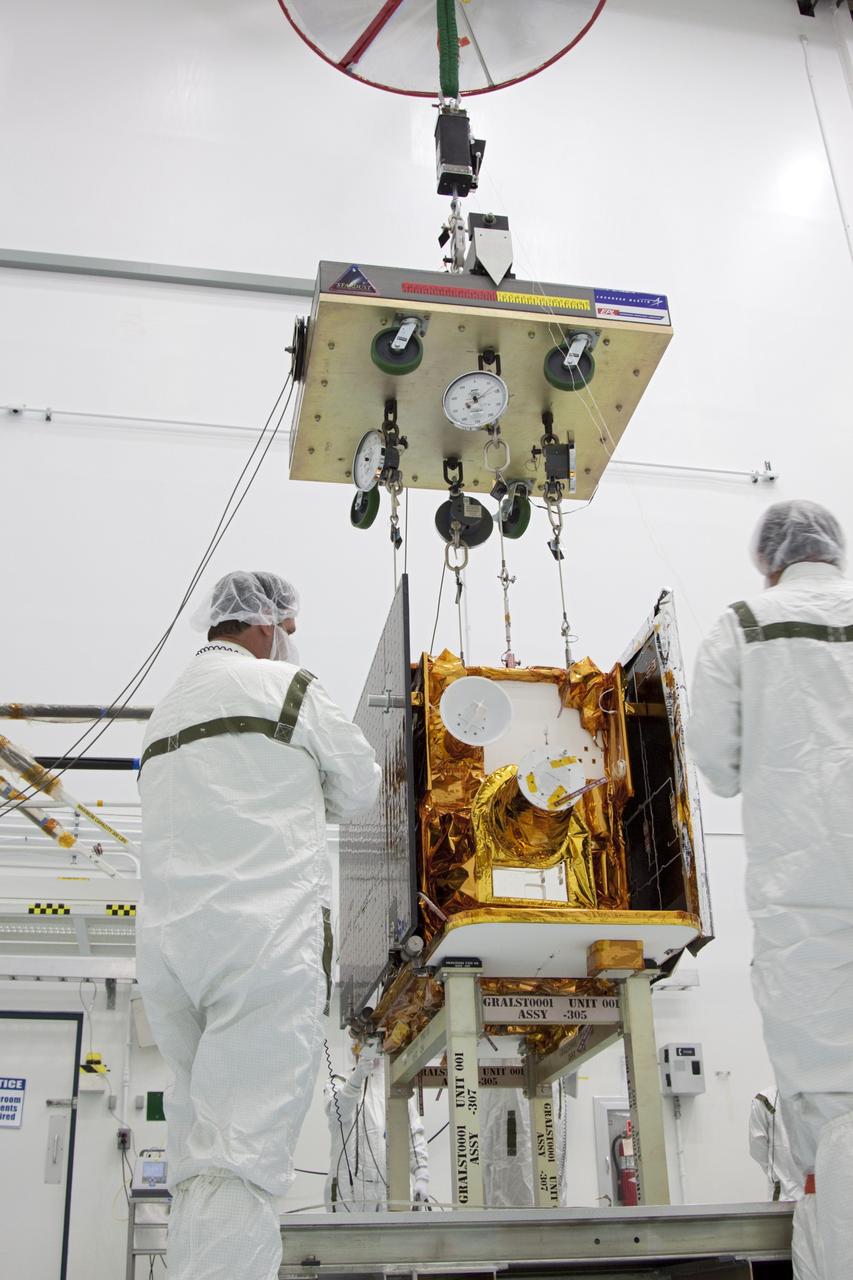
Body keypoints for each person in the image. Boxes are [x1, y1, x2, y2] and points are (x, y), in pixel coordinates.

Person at [137, 571, 381, 1280]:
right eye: (287, 628)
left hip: (171, 953)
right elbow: (360, 784)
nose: (288, 642)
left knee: (199, 1148)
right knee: (239, 1154)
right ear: (262, 623)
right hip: (261, 943)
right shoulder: (287, 689)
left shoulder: (166, 709)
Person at [689, 501, 853, 1279]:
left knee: (829, 1109)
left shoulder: (744, 623)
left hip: (804, 889)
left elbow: (716, 763)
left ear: (767, 561)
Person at [325, 1038, 429, 1211]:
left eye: (378, 1045)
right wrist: (356, 1080)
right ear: (355, 1048)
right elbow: (339, 1113)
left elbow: (412, 1133)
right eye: (367, 1044)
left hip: (392, 1194)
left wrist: (421, 1174)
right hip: (350, 1195)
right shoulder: (339, 1082)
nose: (375, 1051)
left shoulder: (394, 1087)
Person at [749, 1085, 803, 1203]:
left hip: (816, 1198)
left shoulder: (823, 1098)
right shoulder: (764, 1100)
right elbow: (758, 1149)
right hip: (783, 1198)